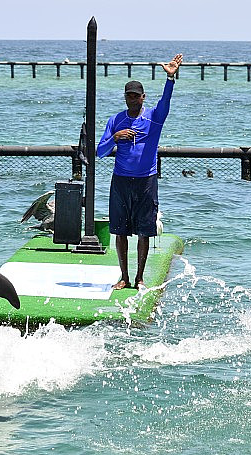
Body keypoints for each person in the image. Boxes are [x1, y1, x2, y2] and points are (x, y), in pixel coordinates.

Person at [97, 53, 183, 290]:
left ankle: (139, 277)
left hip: (146, 180)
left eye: (136, 96)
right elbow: (100, 152)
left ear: (143, 97)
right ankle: (124, 276)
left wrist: (170, 78)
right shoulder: (116, 120)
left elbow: (166, 101)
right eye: (129, 96)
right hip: (121, 181)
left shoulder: (154, 118)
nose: (132, 99)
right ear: (125, 98)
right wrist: (116, 137)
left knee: (145, 231)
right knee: (120, 231)